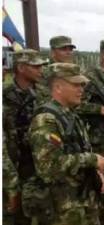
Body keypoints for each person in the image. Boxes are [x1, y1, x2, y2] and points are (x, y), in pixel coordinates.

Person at [28, 63, 104, 225]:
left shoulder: (70, 114)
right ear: (58, 87)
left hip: (81, 202)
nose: (81, 90)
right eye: (75, 85)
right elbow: (48, 168)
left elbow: (80, 148)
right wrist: (92, 159)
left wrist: (95, 171)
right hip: (63, 208)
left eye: (82, 85)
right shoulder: (46, 119)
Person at [3, 49, 47, 225]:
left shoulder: (43, 94)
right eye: (35, 66)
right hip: (14, 171)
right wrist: (11, 185)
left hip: (40, 167)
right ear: (21, 68)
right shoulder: (5, 98)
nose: (40, 70)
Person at [36, 35, 76, 105]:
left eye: (70, 49)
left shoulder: (74, 72)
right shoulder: (45, 74)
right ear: (52, 52)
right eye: (63, 49)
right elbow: (45, 101)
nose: (68, 52)